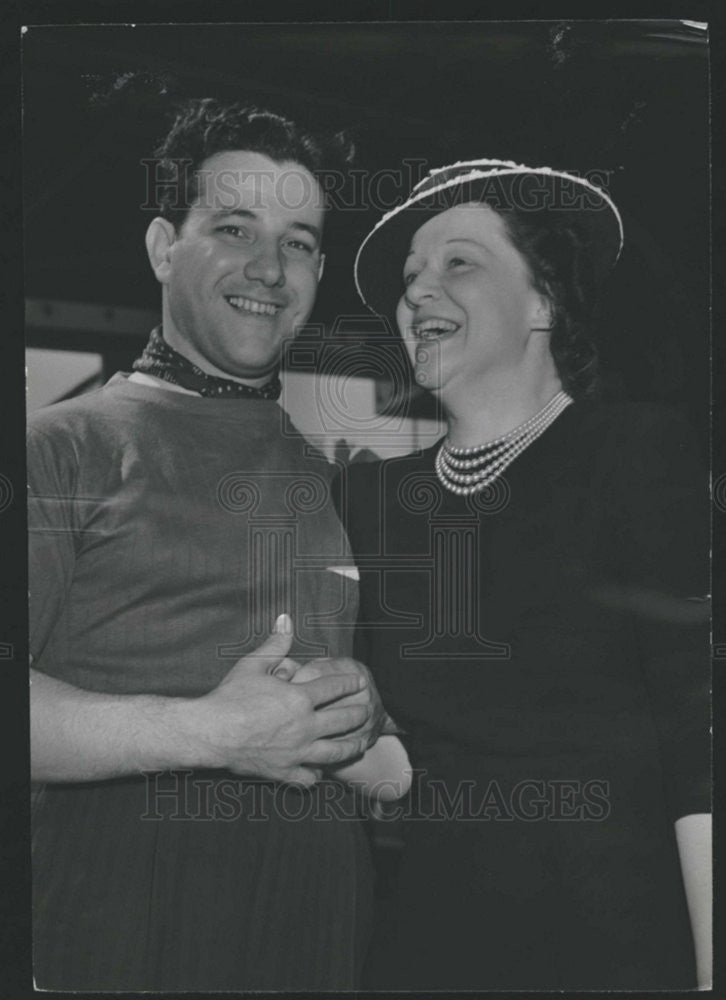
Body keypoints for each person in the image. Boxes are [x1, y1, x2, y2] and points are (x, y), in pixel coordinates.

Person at [28, 98, 407, 991]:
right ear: (165, 246)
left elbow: (377, 765)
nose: (269, 267)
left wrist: (355, 724)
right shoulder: (60, 447)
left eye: (300, 241)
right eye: (234, 227)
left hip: (316, 940)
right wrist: (213, 732)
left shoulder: (325, 477)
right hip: (119, 934)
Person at [343, 159, 712, 989]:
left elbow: (700, 740)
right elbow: (398, 764)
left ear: (543, 301)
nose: (418, 293)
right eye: (411, 277)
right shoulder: (370, 500)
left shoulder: (634, 453)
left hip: (613, 944)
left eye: (457, 263)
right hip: (427, 946)